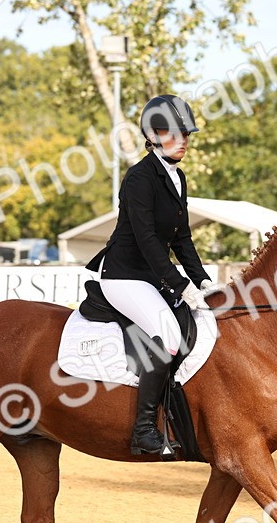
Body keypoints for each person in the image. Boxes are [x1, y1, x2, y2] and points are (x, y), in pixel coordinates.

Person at [85, 95, 223, 455]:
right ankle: (143, 429)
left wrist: (204, 281)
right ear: (154, 135)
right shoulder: (139, 178)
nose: (184, 141)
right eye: (176, 134)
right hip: (124, 276)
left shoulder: (178, 178)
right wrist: (180, 285)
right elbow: (147, 241)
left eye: (186, 134)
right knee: (168, 337)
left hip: (151, 277)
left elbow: (182, 238)